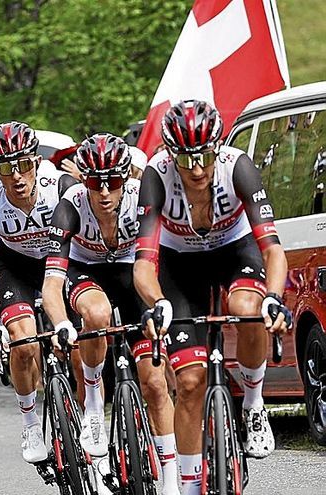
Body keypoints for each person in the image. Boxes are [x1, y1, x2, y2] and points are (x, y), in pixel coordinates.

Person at [134, 100, 291, 494]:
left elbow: (272, 249)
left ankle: (254, 403)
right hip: (178, 263)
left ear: (216, 148)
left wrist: (273, 296)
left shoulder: (237, 166)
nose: (198, 169)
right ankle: (189, 486)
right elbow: (143, 263)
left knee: (248, 308)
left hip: (234, 250)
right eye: (186, 159)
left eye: (204, 156)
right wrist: (158, 302)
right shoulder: (157, 174)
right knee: (189, 382)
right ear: (170, 153)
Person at [44, 134, 178, 494]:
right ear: (82, 181)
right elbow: (52, 284)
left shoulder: (141, 197)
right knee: (98, 315)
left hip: (133, 269)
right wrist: (60, 323)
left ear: (126, 179)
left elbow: (163, 260)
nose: (104, 193)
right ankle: (91, 400)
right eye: (94, 183)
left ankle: (170, 480)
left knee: (153, 382)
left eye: (113, 182)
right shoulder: (70, 205)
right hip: (86, 271)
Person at [0, 121, 75, 464]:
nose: (16, 176)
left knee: (84, 334)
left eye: (24, 164)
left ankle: (91, 415)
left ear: (38, 162)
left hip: (62, 261)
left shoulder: (61, 186)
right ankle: (30, 423)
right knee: (23, 341)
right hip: (16, 267)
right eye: (5, 168)